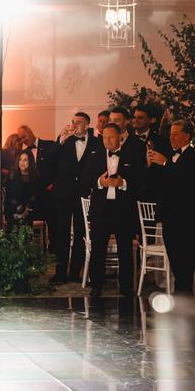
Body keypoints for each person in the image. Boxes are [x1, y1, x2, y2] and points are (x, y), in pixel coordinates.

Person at [82, 123, 143, 299]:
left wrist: (123, 183)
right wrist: (99, 182)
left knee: (124, 249)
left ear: (120, 137)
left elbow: (141, 180)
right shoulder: (94, 156)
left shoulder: (131, 154)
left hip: (123, 210)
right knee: (98, 249)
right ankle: (96, 286)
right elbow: (85, 178)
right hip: (101, 209)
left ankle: (125, 287)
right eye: (104, 137)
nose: (107, 140)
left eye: (111, 136)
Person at [147, 120, 195, 294]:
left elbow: (189, 181)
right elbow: (154, 183)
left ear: (187, 136)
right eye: (170, 134)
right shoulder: (166, 154)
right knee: (174, 258)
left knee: (187, 259)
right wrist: (151, 165)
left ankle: (184, 295)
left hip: (189, 217)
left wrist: (166, 163)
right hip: (169, 215)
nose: (171, 138)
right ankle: (180, 293)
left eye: (175, 134)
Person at [51, 111, 96, 284]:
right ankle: (60, 272)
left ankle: (75, 272)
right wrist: (60, 140)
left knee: (80, 233)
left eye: (78, 122)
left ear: (87, 125)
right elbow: (50, 160)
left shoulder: (96, 143)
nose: (74, 125)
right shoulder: (64, 140)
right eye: (73, 121)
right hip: (63, 194)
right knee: (61, 233)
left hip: (84, 195)